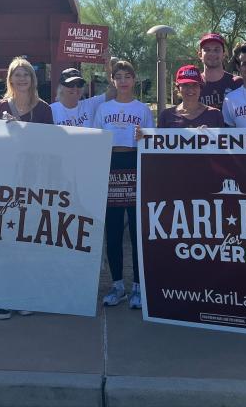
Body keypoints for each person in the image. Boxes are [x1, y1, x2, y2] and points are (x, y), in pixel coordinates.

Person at [0, 57, 53, 319]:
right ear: (10, 78)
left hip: (35, 182)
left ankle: (27, 294)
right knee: (6, 240)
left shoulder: (44, 110)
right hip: (7, 182)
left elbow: (51, 147)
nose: (22, 78)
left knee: (31, 240)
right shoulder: (0, 107)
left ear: (33, 79)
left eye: (26, 74)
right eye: (17, 74)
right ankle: (3, 295)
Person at [93, 60, 154, 310]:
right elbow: (95, 139)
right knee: (114, 230)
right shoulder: (104, 108)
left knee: (137, 230)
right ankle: (118, 285)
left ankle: (139, 285)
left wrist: (145, 136)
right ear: (112, 80)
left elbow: (152, 141)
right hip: (111, 165)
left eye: (127, 76)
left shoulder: (143, 109)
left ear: (134, 79)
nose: (123, 81)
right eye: (118, 76)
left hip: (135, 164)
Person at [50, 63, 114, 128]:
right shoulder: (51, 110)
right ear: (61, 87)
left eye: (79, 84)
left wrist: (107, 63)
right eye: (70, 84)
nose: (75, 88)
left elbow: (113, 92)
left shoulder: (90, 105)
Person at [158, 65, 224, 128]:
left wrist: (209, 134)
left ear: (200, 87)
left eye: (195, 85)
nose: (190, 89)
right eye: (185, 85)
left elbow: (223, 138)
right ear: (178, 88)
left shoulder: (215, 114)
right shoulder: (166, 116)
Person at [197, 33, 242, 108]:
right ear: (200, 55)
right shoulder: (194, 85)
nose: (212, 53)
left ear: (224, 54)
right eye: (207, 50)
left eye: (216, 50)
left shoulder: (238, 83)